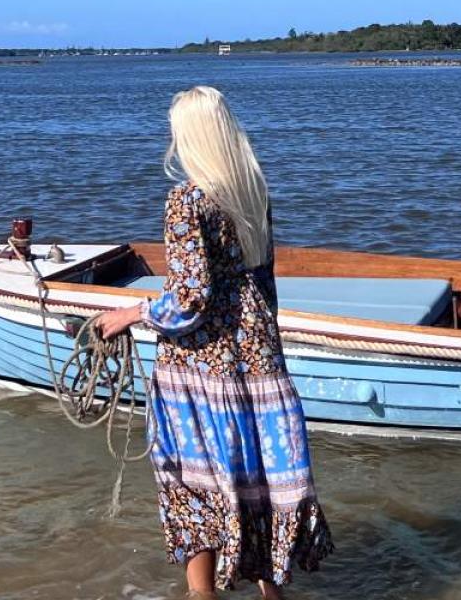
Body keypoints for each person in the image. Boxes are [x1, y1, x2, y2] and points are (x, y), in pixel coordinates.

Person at [96, 86, 333, 597]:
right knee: (259, 479)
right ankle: (272, 590)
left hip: (199, 365)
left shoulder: (187, 199)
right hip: (258, 354)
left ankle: (201, 595)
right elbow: (263, 282)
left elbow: (188, 299)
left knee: (192, 478)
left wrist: (131, 313)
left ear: (189, 137)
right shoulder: (253, 188)